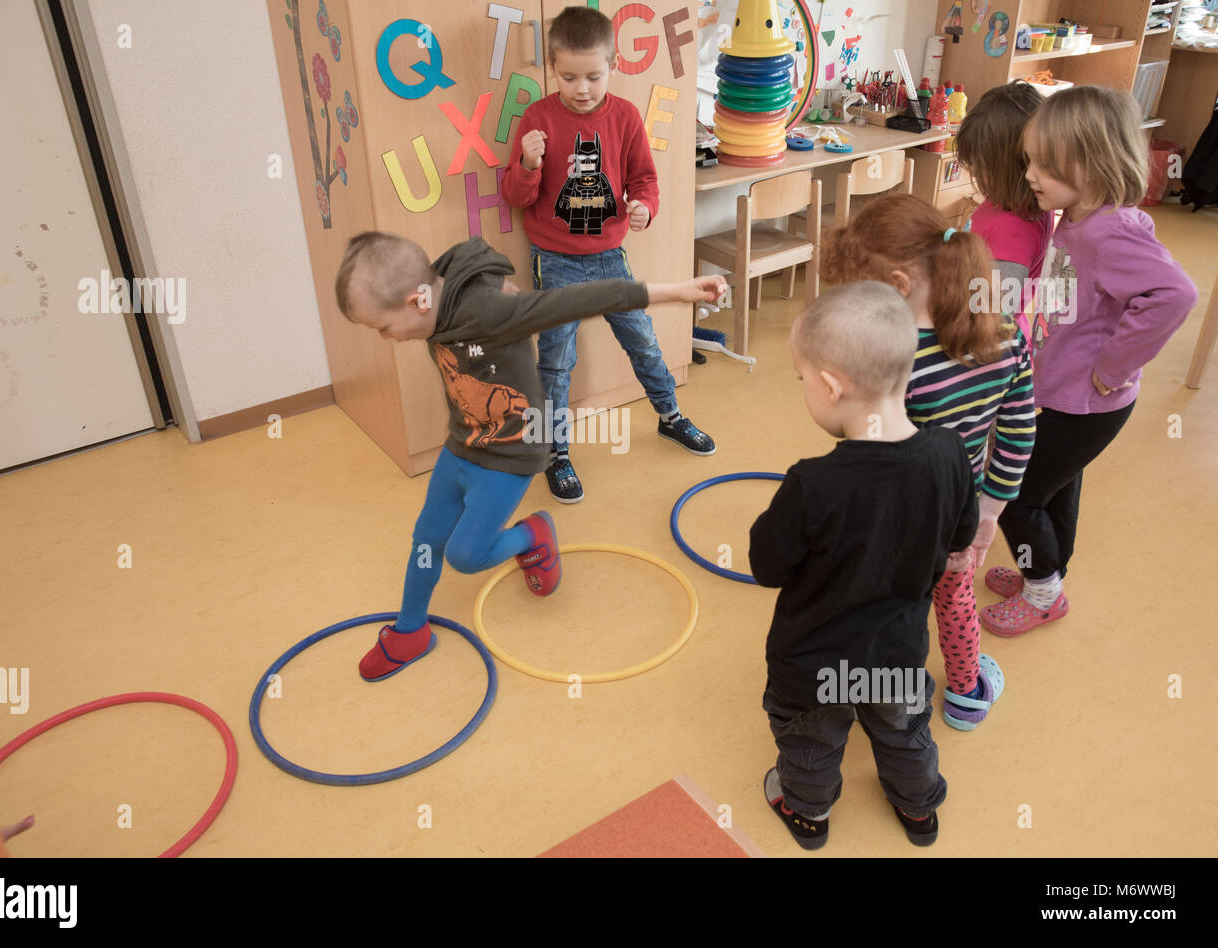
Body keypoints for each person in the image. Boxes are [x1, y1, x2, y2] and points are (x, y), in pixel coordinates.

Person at [334, 231, 724, 679]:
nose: (384, 338)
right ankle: (410, 631)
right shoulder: (431, 288)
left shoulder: (490, 314)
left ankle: (534, 535)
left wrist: (679, 291)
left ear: (417, 301)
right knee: (427, 537)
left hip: (511, 455)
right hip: (463, 443)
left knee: (465, 555)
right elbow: (469, 252)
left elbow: (581, 298)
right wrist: (498, 276)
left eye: (382, 327)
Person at [751, 282, 978, 849]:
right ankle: (919, 810)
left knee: (812, 741)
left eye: (803, 379)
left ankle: (807, 812)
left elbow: (766, 565)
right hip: (897, 650)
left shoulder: (813, 483)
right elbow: (961, 538)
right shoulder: (949, 452)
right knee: (904, 731)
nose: (806, 388)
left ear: (830, 385)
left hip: (813, 663)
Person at [982, 86, 1198, 634]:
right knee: (1058, 488)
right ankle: (1045, 567)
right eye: (1030, 159)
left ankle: (1044, 590)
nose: (1030, 175)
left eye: (1047, 167)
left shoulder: (1106, 230)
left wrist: (1112, 367)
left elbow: (1174, 294)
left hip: (1085, 399)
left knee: (1019, 493)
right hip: (1063, 392)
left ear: (1096, 165)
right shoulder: (1077, 218)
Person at [819, 194, 1034, 730]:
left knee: (881, 601)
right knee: (954, 595)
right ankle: (965, 693)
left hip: (889, 515)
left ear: (896, 285)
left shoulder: (889, 356)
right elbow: (1018, 429)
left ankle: (872, 689)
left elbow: (864, 445)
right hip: (958, 509)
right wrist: (990, 512)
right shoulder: (1006, 332)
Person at [501, 5, 715, 505]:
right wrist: (529, 163)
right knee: (556, 362)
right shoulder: (537, 118)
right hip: (554, 258)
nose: (581, 88)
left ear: (613, 65)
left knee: (642, 340)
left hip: (609, 255)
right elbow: (517, 197)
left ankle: (670, 416)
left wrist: (643, 206)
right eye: (569, 76)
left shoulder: (624, 116)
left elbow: (645, 179)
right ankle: (555, 454)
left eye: (593, 76)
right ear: (553, 69)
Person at [955, 81, 1050, 348]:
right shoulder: (1007, 201)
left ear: (1014, 167)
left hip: (980, 347)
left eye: (979, 164)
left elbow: (994, 316)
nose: (972, 171)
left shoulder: (1013, 231)